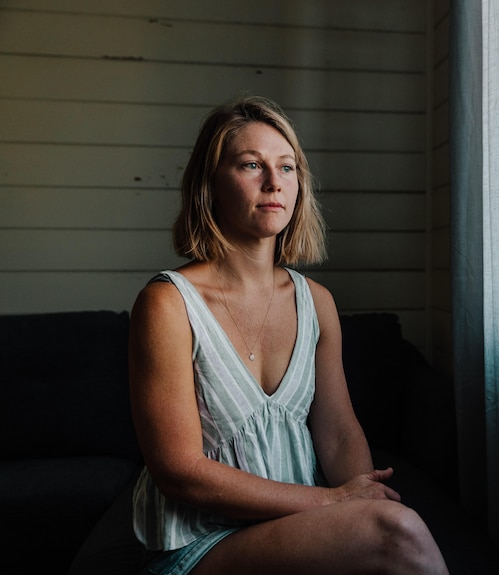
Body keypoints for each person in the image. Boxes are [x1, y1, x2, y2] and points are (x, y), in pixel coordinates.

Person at [128, 94, 449, 575]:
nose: (274, 183)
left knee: (389, 525)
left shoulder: (316, 301)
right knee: (396, 534)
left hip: (302, 531)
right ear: (211, 184)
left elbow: (338, 433)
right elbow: (179, 472)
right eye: (251, 165)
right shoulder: (168, 303)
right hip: (203, 544)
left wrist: (360, 497)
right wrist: (332, 502)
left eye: (288, 167)